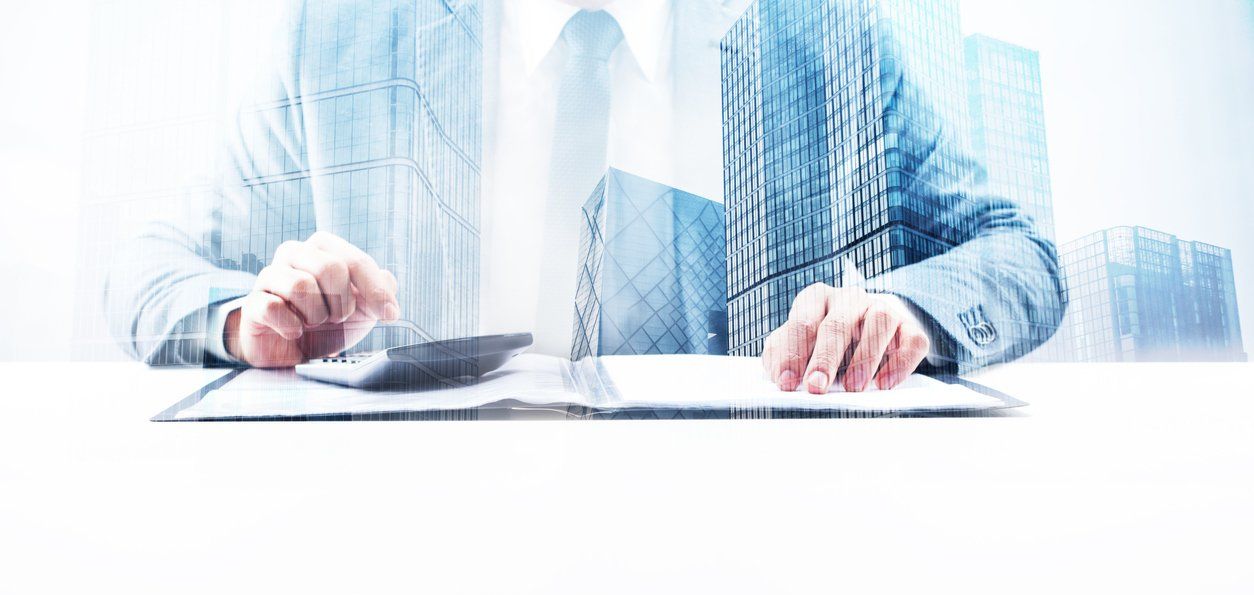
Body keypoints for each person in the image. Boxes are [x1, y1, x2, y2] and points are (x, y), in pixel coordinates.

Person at [105, 0, 1063, 392]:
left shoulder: (821, 34)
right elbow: (148, 271)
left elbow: (1018, 254)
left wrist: (905, 316)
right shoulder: (343, 36)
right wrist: (245, 317)